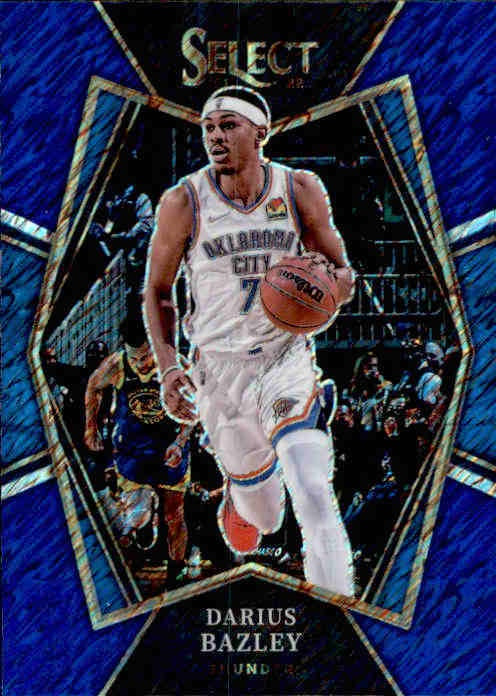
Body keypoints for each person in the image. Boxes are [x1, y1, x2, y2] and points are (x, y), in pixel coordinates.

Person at [144, 86, 356, 596]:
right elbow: (157, 292)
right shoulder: (184, 201)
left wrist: (326, 289)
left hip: (285, 359)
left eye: (228, 125)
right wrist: (169, 367)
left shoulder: (298, 189)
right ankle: (238, 495)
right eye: (209, 127)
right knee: (264, 519)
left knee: (312, 489)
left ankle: (339, 613)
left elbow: (343, 274)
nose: (215, 136)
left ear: (260, 132)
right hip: (219, 373)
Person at [84, 316, 191, 583]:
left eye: (145, 357)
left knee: (174, 514)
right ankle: (130, 558)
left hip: (168, 448)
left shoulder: (176, 365)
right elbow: (93, 387)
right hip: (133, 449)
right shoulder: (116, 365)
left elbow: (197, 407)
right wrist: (90, 427)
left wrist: (180, 442)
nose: (141, 364)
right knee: (133, 519)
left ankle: (177, 573)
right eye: (135, 359)